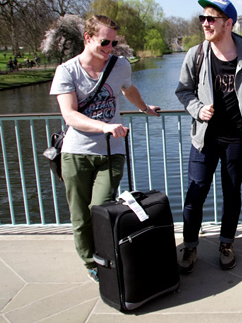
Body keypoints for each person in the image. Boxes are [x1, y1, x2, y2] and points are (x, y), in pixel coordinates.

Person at [49, 15, 160, 282]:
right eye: (105, 42)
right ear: (87, 38)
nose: (110, 47)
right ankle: (91, 262)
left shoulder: (119, 65)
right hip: (76, 153)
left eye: (114, 42)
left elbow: (128, 89)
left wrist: (144, 108)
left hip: (111, 152)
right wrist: (104, 126)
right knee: (80, 216)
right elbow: (70, 115)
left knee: (100, 209)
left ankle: (106, 256)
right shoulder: (67, 71)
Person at [175, 0, 242, 273]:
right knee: (195, 195)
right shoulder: (195, 55)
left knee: (232, 193)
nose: (205, 24)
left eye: (212, 19)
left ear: (228, 23)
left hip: (236, 139)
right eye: (203, 19)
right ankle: (190, 246)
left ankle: (226, 244)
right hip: (204, 139)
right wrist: (197, 109)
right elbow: (183, 91)